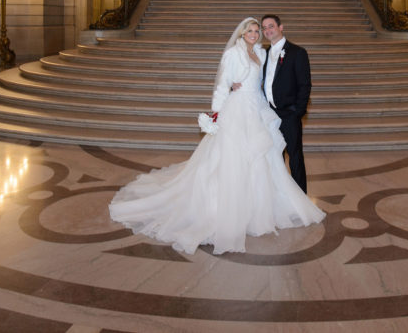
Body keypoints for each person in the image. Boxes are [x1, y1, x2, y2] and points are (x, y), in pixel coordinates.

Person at [108, 17, 324, 255]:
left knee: (264, 157)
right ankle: (230, 210)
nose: (255, 33)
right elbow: (222, 84)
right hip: (238, 111)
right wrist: (217, 114)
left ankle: (267, 205)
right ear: (242, 34)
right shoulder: (234, 54)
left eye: (257, 30)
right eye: (251, 30)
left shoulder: (261, 54)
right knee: (233, 160)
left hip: (259, 110)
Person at [261, 14, 311, 193]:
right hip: (269, 114)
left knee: (295, 157)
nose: (267, 30)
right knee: (274, 157)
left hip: (289, 114)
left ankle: (301, 199)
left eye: (271, 26)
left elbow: (305, 85)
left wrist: (297, 111)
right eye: (264, 28)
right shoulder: (263, 53)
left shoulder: (297, 53)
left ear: (281, 27)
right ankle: (280, 198)